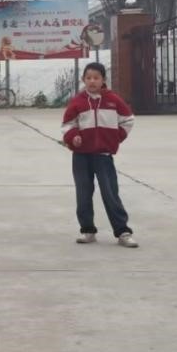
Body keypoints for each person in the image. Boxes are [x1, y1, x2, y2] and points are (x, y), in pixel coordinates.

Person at [61, 62, 137, 247]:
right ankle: (87, 230)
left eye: (96, 78)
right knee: (83, 193)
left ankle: (123, 231)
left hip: (103, 156)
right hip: (81, 156)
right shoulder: (77, 101)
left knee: (110, 193)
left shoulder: (113, 100)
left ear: (103, 80)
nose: (92, 81)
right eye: (88, 78)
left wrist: (115, 138)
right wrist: (73, 137)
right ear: (83, 80)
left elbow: (128, 120)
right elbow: (67, 124)